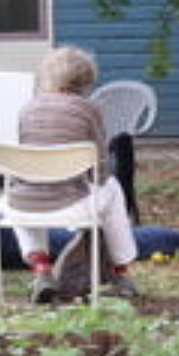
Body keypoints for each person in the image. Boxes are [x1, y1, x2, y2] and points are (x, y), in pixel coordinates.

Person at [10, 47, 141, 303]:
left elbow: (24, 157)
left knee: (16, 202)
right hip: (70, 198)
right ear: (86, 80)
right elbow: (100, 164)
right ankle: (120, 271)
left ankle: (42, 268)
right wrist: (96, 184)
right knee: (113, 189)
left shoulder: (27, 109)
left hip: (28, 199)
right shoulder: (88, 109)